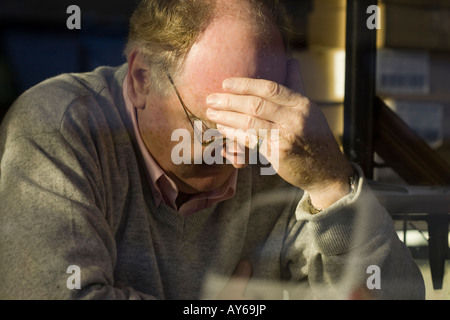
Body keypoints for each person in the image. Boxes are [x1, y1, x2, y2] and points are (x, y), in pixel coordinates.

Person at [0, 0, 425, 300]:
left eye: (256, 124)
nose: (242, 156)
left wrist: (331, 183)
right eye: (214, 125)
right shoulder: (59, 128)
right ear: (141, 79)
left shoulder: (284, 148)